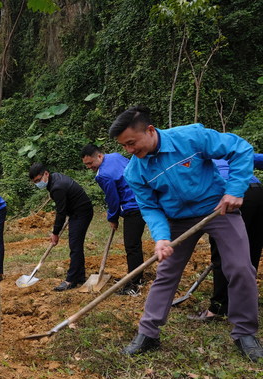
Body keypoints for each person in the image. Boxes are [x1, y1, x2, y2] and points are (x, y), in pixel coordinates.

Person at [109, 105, 262, 362]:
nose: (130, 151)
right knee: (166, 273)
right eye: (125, 146)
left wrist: (235, 189)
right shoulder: (135, 170)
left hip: (217, 209)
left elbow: (240, 148)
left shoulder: (191, 137)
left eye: (132, 143)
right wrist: (161, 237)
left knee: (239, 267)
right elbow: (149, 206)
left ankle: (245, 332)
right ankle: (148, 334)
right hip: (178, 220)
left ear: (149, 130)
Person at [188, 154, 263, 321]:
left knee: (222, 255)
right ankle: (246, 300)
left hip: (228, 195)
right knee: (251, 251)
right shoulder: (233, 151)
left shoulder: (197, 156)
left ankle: (218, 308)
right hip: (257, 192)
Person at [80, 144, 146, 295]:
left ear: (100, 156)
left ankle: (135, 284)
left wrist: (113, 218)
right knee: (134, 244)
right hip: (143, 197)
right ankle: (136, 276)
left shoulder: (103, 174)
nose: (89, 167)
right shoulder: (115, 156)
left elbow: (112, 198)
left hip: (133, 207)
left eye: (91, 163)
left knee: (132, 246)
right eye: (86, 165)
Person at [29, 163, 94, 291]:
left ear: (46, 173)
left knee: (75, 246)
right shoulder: (54, 178)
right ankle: (79, 277)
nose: (37, 183)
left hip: (81, 213)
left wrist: (55, 233)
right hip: (78, 211)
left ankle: (71, 280)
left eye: (38, 180)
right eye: (35, 182)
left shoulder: (57, 187)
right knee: (76, 245)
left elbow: (61, 212)